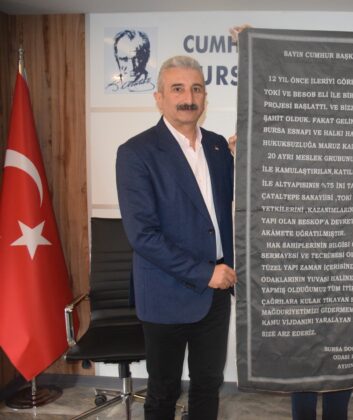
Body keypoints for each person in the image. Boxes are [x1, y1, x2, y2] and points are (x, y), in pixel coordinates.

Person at [116, 55, 236, 420]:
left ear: (204, 97)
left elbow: (225, 207)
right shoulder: (136, 152)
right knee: (163, 391)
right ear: (159, 97)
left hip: (216, 294)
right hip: (165, 292)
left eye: (196, 89)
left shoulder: (218, 147)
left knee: (208, 385)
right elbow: (143, 235)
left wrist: (244, 160)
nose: (189, 98)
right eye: (178, 89)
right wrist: (205, 273)